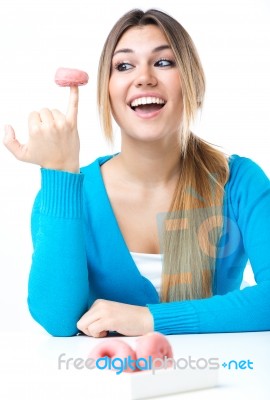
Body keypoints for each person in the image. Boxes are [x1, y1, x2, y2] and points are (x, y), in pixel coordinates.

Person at [3, 9, 270, 337]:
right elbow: (58, 320)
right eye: (124, 66)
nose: (143, 77)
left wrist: (149, 319)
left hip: (220, 383)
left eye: (163, 62)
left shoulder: (239, 182)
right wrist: (60, 172)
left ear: (192, 81)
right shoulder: (71, 194)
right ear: (108, 91)